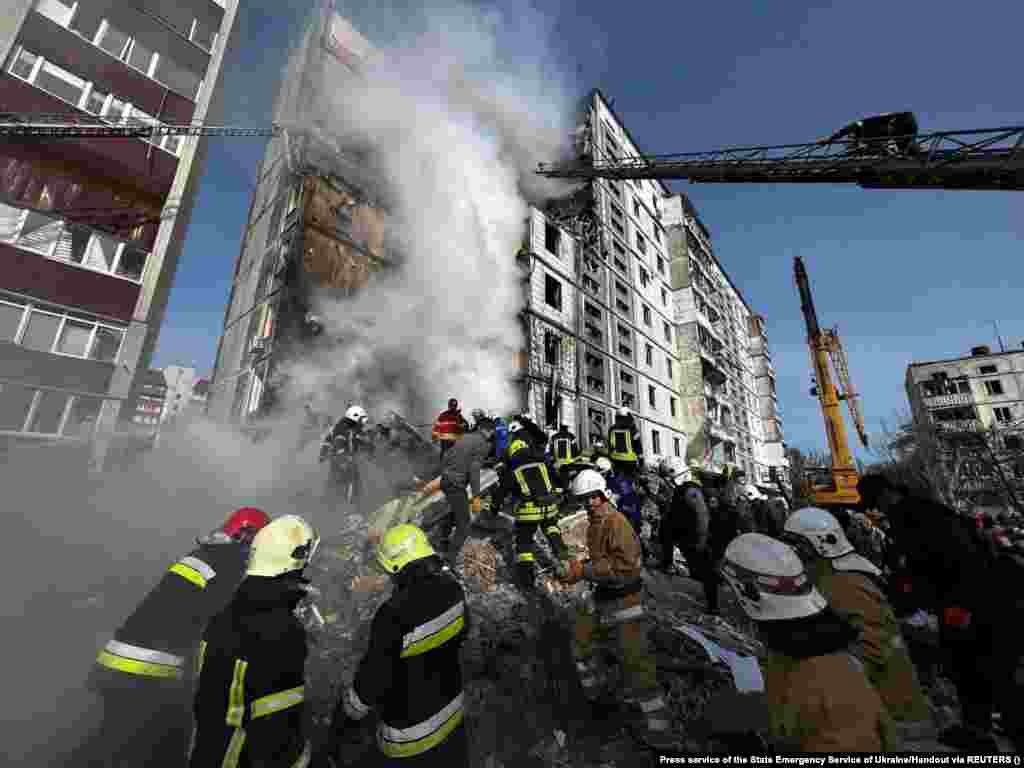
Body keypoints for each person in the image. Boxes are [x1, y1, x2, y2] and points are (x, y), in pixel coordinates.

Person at [70, 508, 271, 767]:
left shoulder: (205, 556)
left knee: (108, 743)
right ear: (247, 536)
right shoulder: (228, 562)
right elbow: (222, 622)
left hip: (117, 663)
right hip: (145, 670)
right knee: (149, 749)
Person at [858, 474, 1014, 752]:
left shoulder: (912, 517)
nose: (877, 510)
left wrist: (906, 598)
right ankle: (980, 727)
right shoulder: (926, 508)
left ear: (884, 495)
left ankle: (984, 731)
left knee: (973, 666)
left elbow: (924, 566)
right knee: (975, 666)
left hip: (965, 602)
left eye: (876, 503)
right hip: (976, 599)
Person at [718, 533, 897, 752]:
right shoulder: (790, 657)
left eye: (727, 588)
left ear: (748, 596)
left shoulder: (825, 682)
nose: (724, 598)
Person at [326, 524, 468, 767]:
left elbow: (371, 684)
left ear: (395, 568)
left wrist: (341, 723)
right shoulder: (454, 590)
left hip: (409, 737)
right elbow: (461, 634)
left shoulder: (393, 613)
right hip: (453, 715)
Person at [781, 507, 932, 734]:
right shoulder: (829, 576)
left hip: (893, 719)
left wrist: (821, 684)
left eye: (796, 545)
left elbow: (873, 645)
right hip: (874, 712)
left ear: (817, 545)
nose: (791, 553)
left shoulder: (845, 582)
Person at [556, 469, 674, 750]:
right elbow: (602, 561)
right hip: (604, 598)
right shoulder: (595, 522)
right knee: (582, 644)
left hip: (626, 603)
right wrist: (582, 570)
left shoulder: (616, 523)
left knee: (637, 666)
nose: (587, 504)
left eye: (591, 498)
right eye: (582, 499)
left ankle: (662, 734)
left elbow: (625, 567)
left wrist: (582, 571)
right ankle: (600, 703)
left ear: (601, 495)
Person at [190, 515, 319, 768]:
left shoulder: (225, 615)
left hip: (206, 753)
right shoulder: (283, 631)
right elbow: (280, 727)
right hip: (240, 758)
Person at [492, 426, 569, 590]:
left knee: (524, 543)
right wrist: (562, 493)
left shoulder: (512, 470)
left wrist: (493, 508)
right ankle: (563, 555)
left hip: (528, 513)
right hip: (549, 507)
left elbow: (500, 493)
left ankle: (527, 580)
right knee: (551, 528)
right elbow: (558, 479)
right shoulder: (543, 461)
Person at [658, 458, 720, 614]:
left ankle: (713, 608)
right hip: (692, 542)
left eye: (668, 478)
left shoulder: (689, 492)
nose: (668, 482)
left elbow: (702, 517)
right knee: (704, 575)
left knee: (706, 574)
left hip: (697, 543)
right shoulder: (686, 491)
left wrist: (699, 543)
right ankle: (710, 605)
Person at [437, 416, 495, 562]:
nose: (491, 435)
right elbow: (474, 470)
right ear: (487, 431)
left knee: (455, 510)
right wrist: (476, 496)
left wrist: (449, 472)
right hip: (456, 485)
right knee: (464, 526)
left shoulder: (464, 437)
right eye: (491, 432)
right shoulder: (484, 444)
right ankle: (448, 561)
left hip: (445, 481)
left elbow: (446, 456)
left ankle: (443, 541)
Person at [320, 405, 374, 508]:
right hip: (342, 462)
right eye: (361, 419)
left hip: (340, 462)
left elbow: (328, 441)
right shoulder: (344, 430)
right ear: (355, 418)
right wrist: (345, 460)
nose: (362, 423)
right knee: (352, 485)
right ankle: (352, 510)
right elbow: (338, 444)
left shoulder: (343, 427)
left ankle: (330, 506)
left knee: (335, 485)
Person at [607, 407, 642, 476]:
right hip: (630, 461)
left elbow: (610, 444)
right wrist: (641, 459)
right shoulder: (633, 429)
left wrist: (610, 457)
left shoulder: (611, 429)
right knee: (630, 481)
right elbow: (637, 445)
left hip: (615, 459)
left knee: (616, 480)